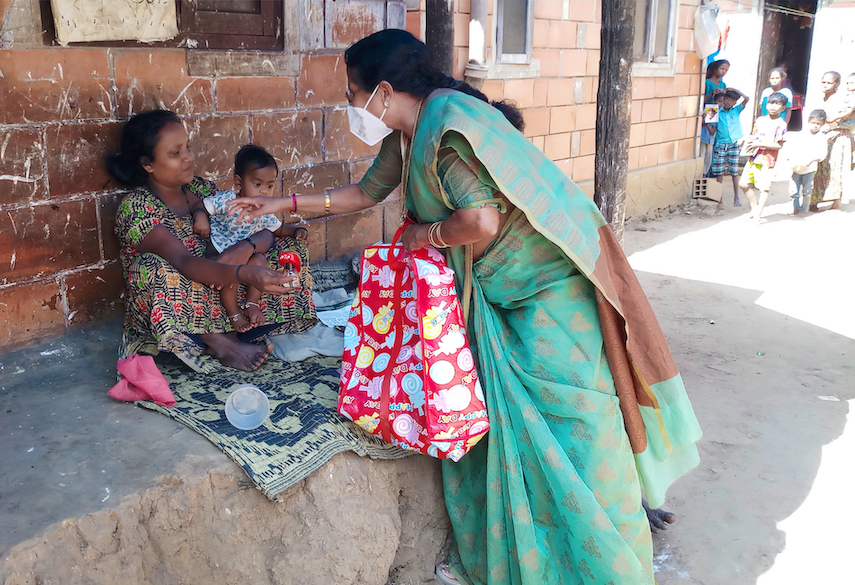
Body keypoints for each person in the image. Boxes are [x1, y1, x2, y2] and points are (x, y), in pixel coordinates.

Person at [229, 29, 701, 585]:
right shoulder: (407, 134)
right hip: (501, 294)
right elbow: (362, 194)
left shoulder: (447, 132)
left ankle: (609, 567)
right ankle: (540, 559)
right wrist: (276, 202)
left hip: (548, 297)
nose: (351, 107)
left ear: (382, 91)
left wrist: (423, 236)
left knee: (579, 436)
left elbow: (480, 222)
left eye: (352, 95)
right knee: (521, 434)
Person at [105, 110, 318, 373]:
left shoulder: (203, 189)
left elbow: (263, 228)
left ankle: (245, 324)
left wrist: (245, 248)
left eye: (188, 147)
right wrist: (242, 271)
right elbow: (184, 262)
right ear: (148, 164)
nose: (189, 157)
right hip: (187, 284)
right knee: (154, 269)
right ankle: (214, 339)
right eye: (176, 153)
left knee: (290, 249)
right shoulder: (137, 208)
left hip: (226, 282)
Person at [190, 144, 310, 332]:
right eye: (257, 184)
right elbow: (201, 205)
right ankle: (233, 313)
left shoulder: (265, 210)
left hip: (248, 256)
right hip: (221, 255)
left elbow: (278, 229)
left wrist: (296, 231)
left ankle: (251, 304)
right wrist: (201, 218)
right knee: (232, 273)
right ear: (239, 182)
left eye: (269, 186)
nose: (264, 191)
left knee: (260, 260)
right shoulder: (227, 200)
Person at [740, 92, 788, 223]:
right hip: (754, 157)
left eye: (777, 104)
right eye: (771, 103)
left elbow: (779, 145)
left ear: (783, 108)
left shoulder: (781, 124)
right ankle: (754, 208)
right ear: (766, 105)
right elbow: (754, 135)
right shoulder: (760, 120)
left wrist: (759, 144)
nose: (773, 106)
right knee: (743, 183)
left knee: (763, 189)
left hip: (767, 160)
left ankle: (758, 215)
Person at [810, 72, 855, 211]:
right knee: (819, 169)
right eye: (823, 82)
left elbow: (848, 114)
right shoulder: (822, 98)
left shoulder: (842, 98)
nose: (825, 85)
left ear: (837, 85)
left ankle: (835, 203)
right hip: (824, 135)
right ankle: (815, 200)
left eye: (829, 83)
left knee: (835, 169)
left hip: (838, 136)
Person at [782, 109, 828, 215]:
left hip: (810, 169)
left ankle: (804, 209)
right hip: (797, 167)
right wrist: (790, 159)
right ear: (808, 122)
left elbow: (822, 154)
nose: (815, 126)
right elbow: (792, 148)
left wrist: (811, 161)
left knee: (807, 191)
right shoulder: (801, 135)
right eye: (813, 123)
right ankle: (796, 208)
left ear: (822, 124)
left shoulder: (821, 138)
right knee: (793, 190)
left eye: (818, 124)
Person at [710, 89, 749, 207]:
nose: (727, 101)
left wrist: (735, 90)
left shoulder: (736, 110)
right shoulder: (715, 112)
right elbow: (712, 132)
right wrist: (706, 122)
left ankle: (736, 197)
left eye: (731, 100)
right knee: (719, 172)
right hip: (720, 144)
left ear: (735, 103)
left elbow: (747, 98)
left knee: (734, 172)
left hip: (734, 144)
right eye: (726, 98)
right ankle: (719, 197)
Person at [702, 60, 730, 176]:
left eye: (726, 70)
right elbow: (700, 100)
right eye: (722, 69)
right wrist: (712, 94)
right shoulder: (706, 83)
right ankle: (703, 174)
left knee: (711, 146)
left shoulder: (723, 85)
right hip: (707, 111)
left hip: (715, 113)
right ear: (715, 69)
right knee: (704, 145)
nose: (724, 72)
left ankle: (707, 173)